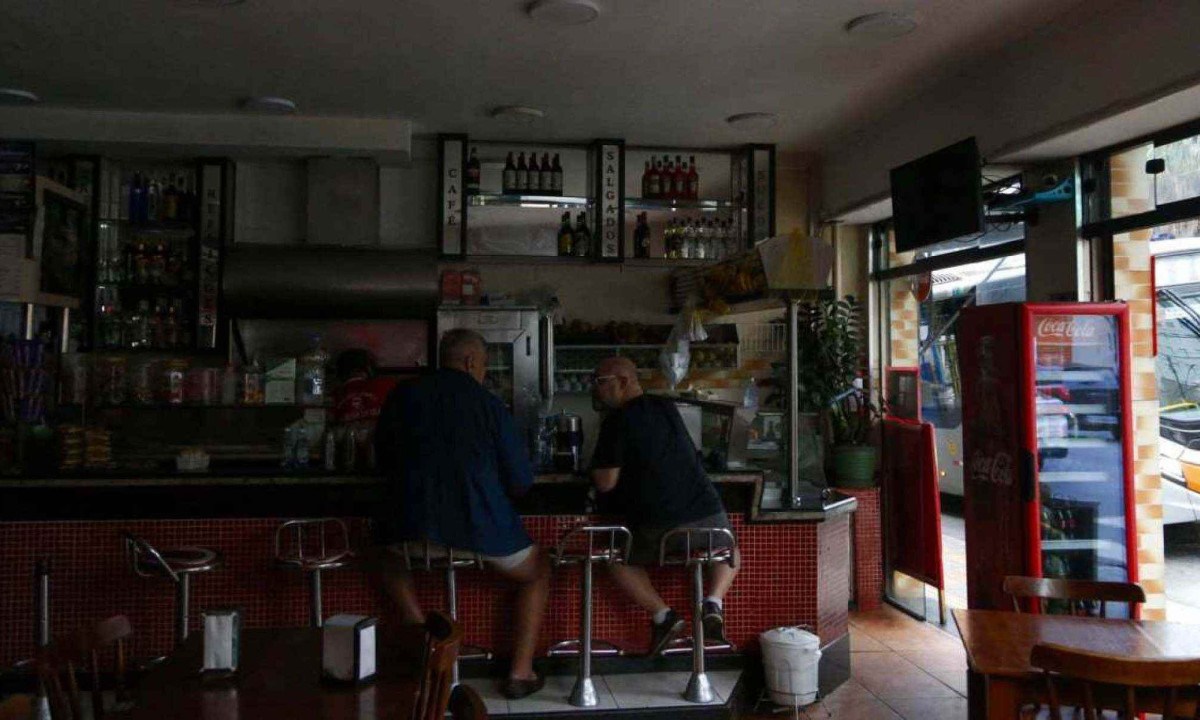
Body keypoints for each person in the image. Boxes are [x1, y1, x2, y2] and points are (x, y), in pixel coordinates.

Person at [374, 328, 550, 699]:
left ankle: (422, 632)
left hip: (408, 528)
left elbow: (380, 459)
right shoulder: (487, 404)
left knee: (386, 556)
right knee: (538, 571)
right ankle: (520, 672)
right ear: (471, 362)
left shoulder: (402, 395)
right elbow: (521, 481)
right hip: (480, 528)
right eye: (484, 364)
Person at [590, 356, 739, 656]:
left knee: (615, 559)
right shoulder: (667, 407)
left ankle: (664, 616)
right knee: (729, 548)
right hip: (709, 515)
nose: (595, 389)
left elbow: (606, 482)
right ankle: (713, 601)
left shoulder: (617, 420)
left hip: (661, 527)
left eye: (599, 382)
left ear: (623, 381)